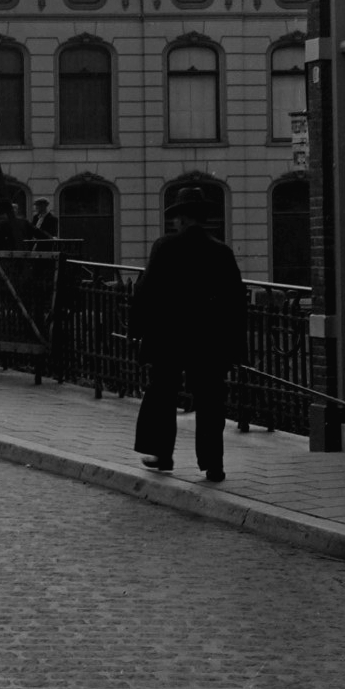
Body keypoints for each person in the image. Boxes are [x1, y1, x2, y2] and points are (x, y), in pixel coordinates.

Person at [130, 184, 246, 483]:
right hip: (208, 337)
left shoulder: (165, 247)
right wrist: (234, 344)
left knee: (162, 393)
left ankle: (162, 453)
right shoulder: (220, 251)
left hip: (168, 335)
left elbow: (145, 290)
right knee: (210, 400)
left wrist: (137, 329)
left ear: (180, 218)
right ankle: (213, 463)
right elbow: (235, 299)